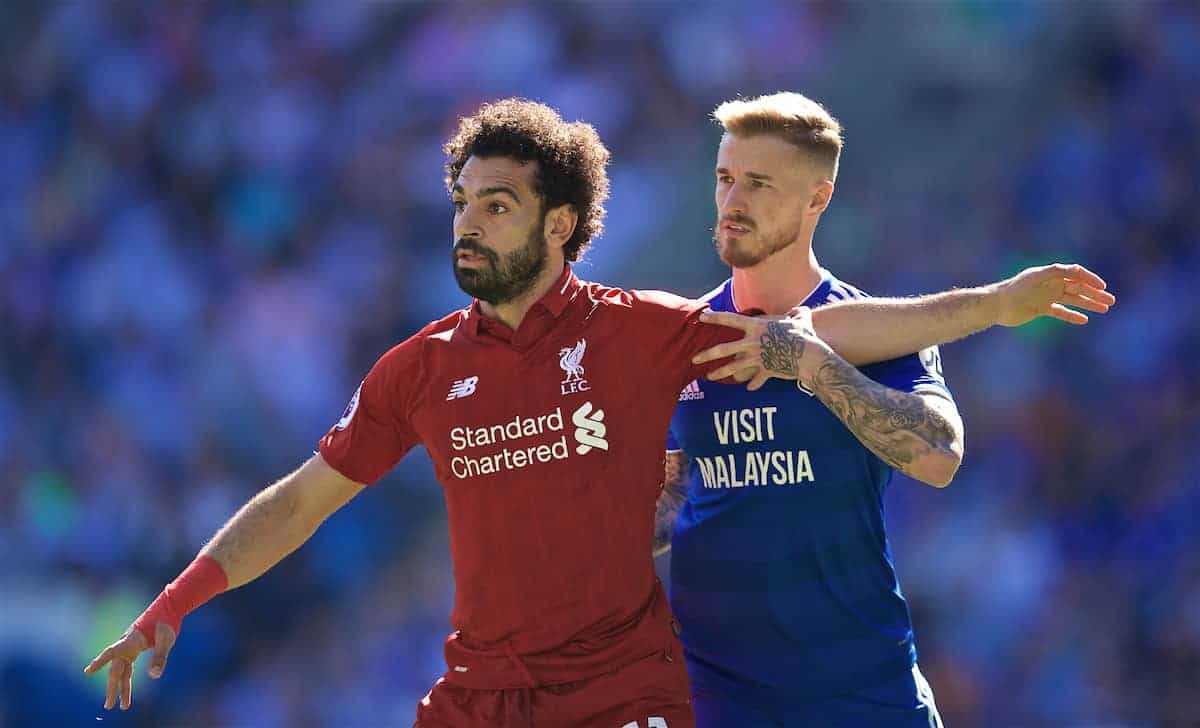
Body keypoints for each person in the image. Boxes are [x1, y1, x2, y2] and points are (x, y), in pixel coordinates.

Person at [83, 98, 1111, 727]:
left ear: (561, 222)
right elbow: (303, 499)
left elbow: (829, 333)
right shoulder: (421, 369)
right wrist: (173, 602)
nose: (469, 225)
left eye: (497, 204)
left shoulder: (642, 334)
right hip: (481, 698)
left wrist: (996, 302)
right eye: (462, 203)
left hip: (628, 696)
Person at [653, 92, 1115, 728]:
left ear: (818, 198)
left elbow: (938, 456)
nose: (733, 202)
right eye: (725, 178)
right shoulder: (686, 338)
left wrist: (812, 366)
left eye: (758, 184)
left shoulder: (885, 332)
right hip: (720, 703)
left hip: (861, 696)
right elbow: (676, 498)